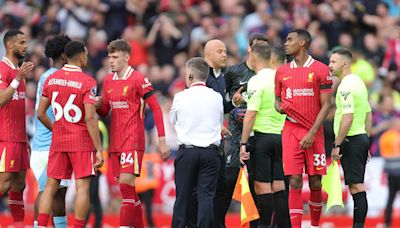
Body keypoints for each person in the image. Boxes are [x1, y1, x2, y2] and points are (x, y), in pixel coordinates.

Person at [97, 39, 170, 228]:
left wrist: (162, 140)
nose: (111, 61)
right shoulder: (107, 80)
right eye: (109, 57)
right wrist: (95, 104)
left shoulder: (139, 79)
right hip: (115, 143)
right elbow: (105, 110)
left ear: (127, 57)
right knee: (128, 192)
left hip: (133, 140)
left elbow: (156, 108)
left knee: (125, 187)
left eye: (115, 57)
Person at [36, 41, 104, 227]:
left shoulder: (52, 79)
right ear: (81, 56)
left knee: (50, 187)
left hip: (59, 140)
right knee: (82, 187)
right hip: (81, 141)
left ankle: (41, 225)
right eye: (87, 55)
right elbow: (90, 118)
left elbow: (40, 113)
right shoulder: (87, 81)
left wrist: (56, 129)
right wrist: (99, 149)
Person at [274, 29, 333, 228]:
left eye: (290, 39)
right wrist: (279, 107)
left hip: (314, 133)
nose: (285, 43)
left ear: (302, 43)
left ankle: (315, 224)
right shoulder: (282, 71)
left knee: (316, 181)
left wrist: (312, 132)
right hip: (291, 130)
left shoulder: (321, 69)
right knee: (294, 181)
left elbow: (327, 105)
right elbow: (277, 99)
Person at [240, 43, 290, 227]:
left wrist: (243, 143)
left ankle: (265, 226)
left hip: (262, 138)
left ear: (254, 58)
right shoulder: (281, 77)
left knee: (262, 186)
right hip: (280, 136)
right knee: (279, 185)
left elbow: (251, 114)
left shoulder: (256, 81)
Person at [222, 34, 270, 227]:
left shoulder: (269, 75)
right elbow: (222, 101)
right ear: (250, 48)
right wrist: (234, 111)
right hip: (235, 137)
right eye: (258, 47)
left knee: (257, 183)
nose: (261, 51)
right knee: (228, 181)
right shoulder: (234, 72)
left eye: (265, 48)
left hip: (259, 136)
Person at [171, 57, 223, 228]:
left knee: (183, 197)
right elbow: (219, 121)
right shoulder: (217, 97)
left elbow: (173, 120)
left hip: (188, 151)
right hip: (210, 152)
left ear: (191, 75)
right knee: (206, 197)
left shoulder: (180, 97)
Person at [31, 34, 71, 228]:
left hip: (48, 145)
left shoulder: (47, 76)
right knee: (47, 192)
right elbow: (44, 114)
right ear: (65, 55)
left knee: (58, 193)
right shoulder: (56, 78)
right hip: (48, 146)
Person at [329, 48, 372, 228]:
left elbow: (347, 117)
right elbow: (368, 113)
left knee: (356, 188)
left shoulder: (345, 86)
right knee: (356, 186)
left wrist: (337, 144)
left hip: (351, 140)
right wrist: (366, 141)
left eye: (332, 62)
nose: (329, 66)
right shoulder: (358, 82)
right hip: (360, 138)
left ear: (344, 63)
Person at [0, 29, 34, 228]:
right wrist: (17, 78)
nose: (26, 46)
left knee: (19, 185)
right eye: (21, 42)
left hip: (19, 138)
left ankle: (17, 225)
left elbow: (19, 108)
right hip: (6, 136)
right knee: (3, 183)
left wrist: (25, 140)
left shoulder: (20, 72)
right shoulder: (3, 69)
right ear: (10, 45)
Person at [379, 117, 400, 228]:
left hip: (390, 173)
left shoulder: (384, 137)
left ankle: (387, 223)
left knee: (390, 199)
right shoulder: (397, 137)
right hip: (398, 172)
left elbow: (384, 154)